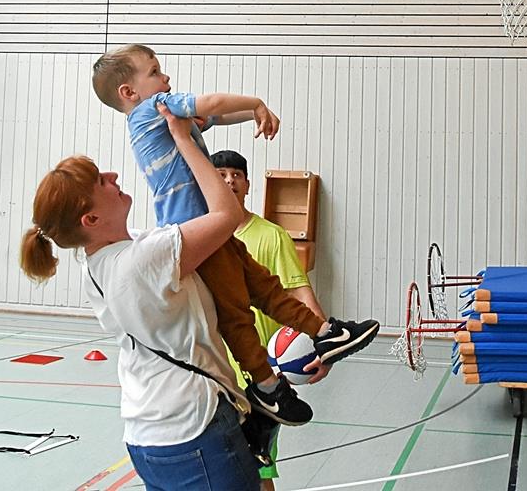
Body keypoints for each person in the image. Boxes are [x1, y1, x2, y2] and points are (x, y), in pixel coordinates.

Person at [91, 44, 379, 425]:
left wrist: (254, 114)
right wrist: (256, 101)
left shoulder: (165, 117)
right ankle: (265, 385)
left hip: (213, 223)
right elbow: (210, 100)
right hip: (197, 226)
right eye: (156, 71)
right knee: (235, 313)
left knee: (265, 285)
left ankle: (325, 332)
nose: (166, 78)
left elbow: (212, 115)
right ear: (129, 92)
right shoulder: (151, 111)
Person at [19, 105, 291, 490]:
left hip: (146, 432)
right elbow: (226, 214)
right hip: (194, 427)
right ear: (90, 220)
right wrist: (182, 139)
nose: (113, 175)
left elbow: (173, 222)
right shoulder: (145, 259)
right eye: (101, 180)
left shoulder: (99, 263)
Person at [212, 149, 330, 491]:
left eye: (236, 174)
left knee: (257, 470)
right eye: (220, 175)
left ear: (248, 184)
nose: (229, 180)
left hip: (260, 381)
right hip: (212, 377)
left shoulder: (271, 236)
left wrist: (323, 345)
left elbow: (300, 294)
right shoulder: (199, 237)